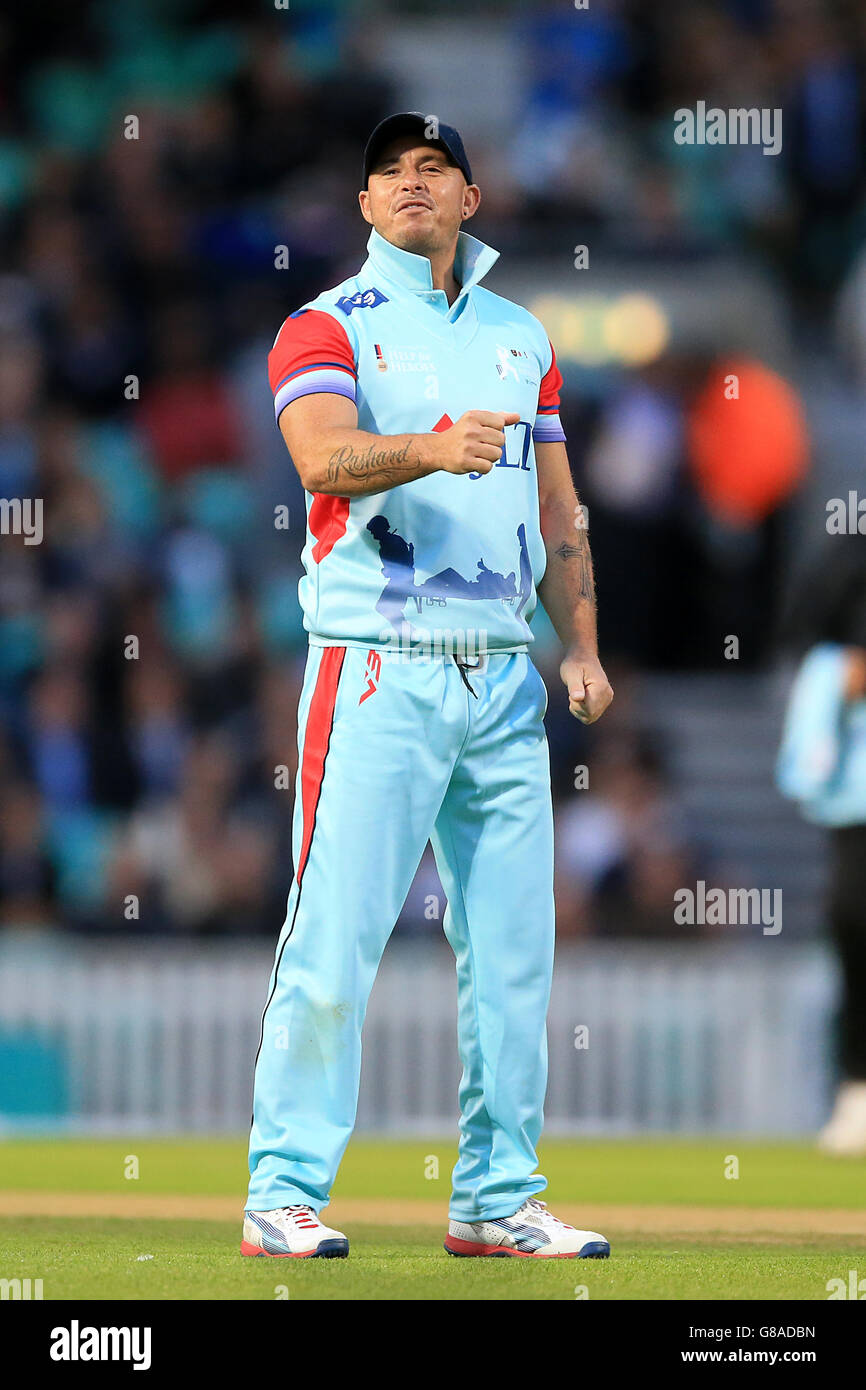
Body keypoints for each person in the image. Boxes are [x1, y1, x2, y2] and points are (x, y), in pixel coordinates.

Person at [242, 113, 614, 1260]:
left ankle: (496, 1198)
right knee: (333, 940)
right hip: (372, 670)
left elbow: (558, 513)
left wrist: (584, 647)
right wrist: (431, 446)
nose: (410, 183)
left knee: (512, 957)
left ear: (471, 199)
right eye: (389, 173)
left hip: (503, 677)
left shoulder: (520, 334)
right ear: (362, 208)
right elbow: (319, 460)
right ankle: (281, 1190)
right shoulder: (322, 325)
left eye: (433, 169)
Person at [776, 535, 866, 1155]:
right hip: (854, 835)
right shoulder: (828, 673)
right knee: (857, 964)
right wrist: (840, 705)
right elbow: (802, 773)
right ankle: (855, 1098)